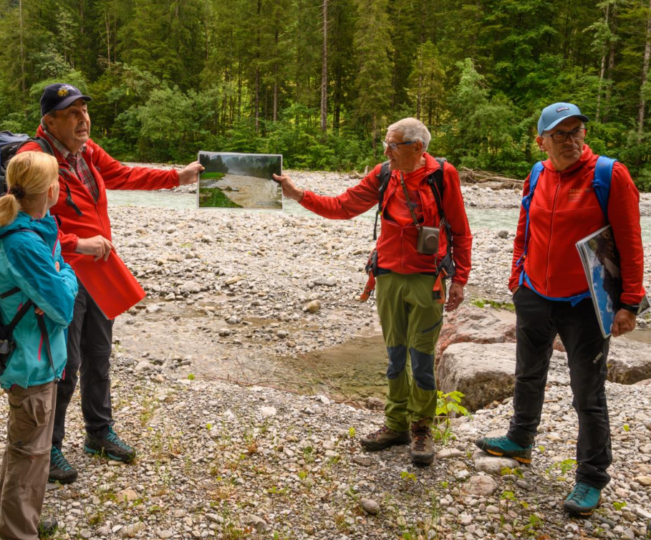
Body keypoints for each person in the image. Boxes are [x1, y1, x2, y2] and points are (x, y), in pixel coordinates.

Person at [17, 83, 203, 483]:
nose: (83, 119)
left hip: (99, 271)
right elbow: (22, 226)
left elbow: (121, 173)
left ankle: (98, 433)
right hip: (60, 275)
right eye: (71, 113)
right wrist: (76, 243)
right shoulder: (33, 158)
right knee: (64, 365)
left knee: (98, 356)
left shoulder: (85, 151)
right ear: (48, 120)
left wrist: (178, 177)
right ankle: (48, 449)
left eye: (84, 110)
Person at [475, 103, 646, 517]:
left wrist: (629, 303)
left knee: (588, 392)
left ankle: (590, 477)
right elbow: (524, 230)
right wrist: (518, 278)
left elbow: (630, 241)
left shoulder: (609, 174)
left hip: (585, 301)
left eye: (577, 132)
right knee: (528, 372)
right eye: (561, 134)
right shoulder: (537, 174)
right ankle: (520, 440)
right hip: (535, 292)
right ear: (541, 141)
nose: (571, 141)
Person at [273, 117, 472, 466]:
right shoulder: (383, 174)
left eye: (393, 145)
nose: (386, 151)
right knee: (396, 354)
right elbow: (342, 207)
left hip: (429, 279)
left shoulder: (443, 175)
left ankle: (422, 427)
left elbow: (460, 230)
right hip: (388, 277)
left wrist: (461, 280)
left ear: (417, 148)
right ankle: (395, 423)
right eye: (386, 143)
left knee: (422, 358)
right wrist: (298, 194)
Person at [0, 152, 78, 540]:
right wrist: (69, 273)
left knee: (23, 449)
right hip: (32, 362)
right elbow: (62, 307)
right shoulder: (24, 243)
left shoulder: (11, 224)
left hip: (27, 355)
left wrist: (56, 260)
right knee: (30, 456)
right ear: (51, 190)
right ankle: (17, 531)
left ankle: (20, 517)